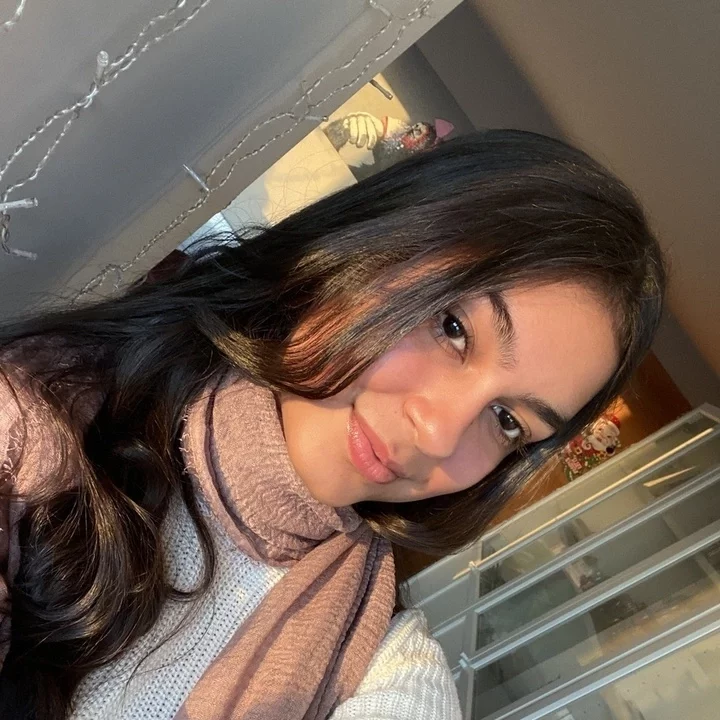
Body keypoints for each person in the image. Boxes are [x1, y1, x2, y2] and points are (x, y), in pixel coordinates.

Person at [0, 130, 666, 720]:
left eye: (507, 420)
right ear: (367, 247)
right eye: (453, 328)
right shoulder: (42, 416)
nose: (438, 435)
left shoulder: (376, 653)